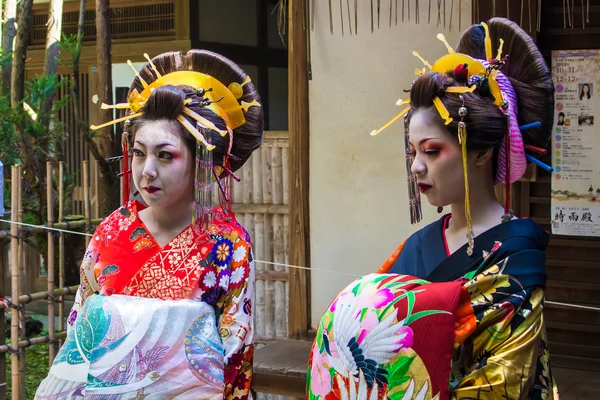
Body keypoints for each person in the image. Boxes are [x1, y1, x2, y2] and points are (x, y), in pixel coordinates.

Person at [308, 18, 557, 399]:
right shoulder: (416, 245)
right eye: (413, 152)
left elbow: (505, 382)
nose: (416, 166)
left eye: (432, 151)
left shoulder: (517, 256)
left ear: (483, 152)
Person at [35, 50, 263, 399]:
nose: (147, 170)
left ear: (201, 158)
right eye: (139, 153)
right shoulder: (112, 230)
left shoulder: (229, 244)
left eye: (166, 155)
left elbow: (235, 352)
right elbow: (80, 329)